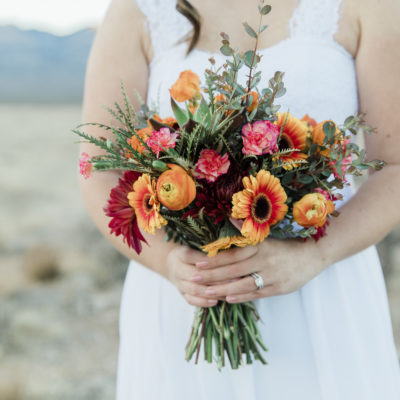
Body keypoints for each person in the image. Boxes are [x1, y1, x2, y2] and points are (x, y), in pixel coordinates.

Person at [79, 0, 400, 398]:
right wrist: (167, 261)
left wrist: (313, 255)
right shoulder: (137, 10)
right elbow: (99, 166)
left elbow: (395, 166)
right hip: (185, 294)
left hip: (324, 290)